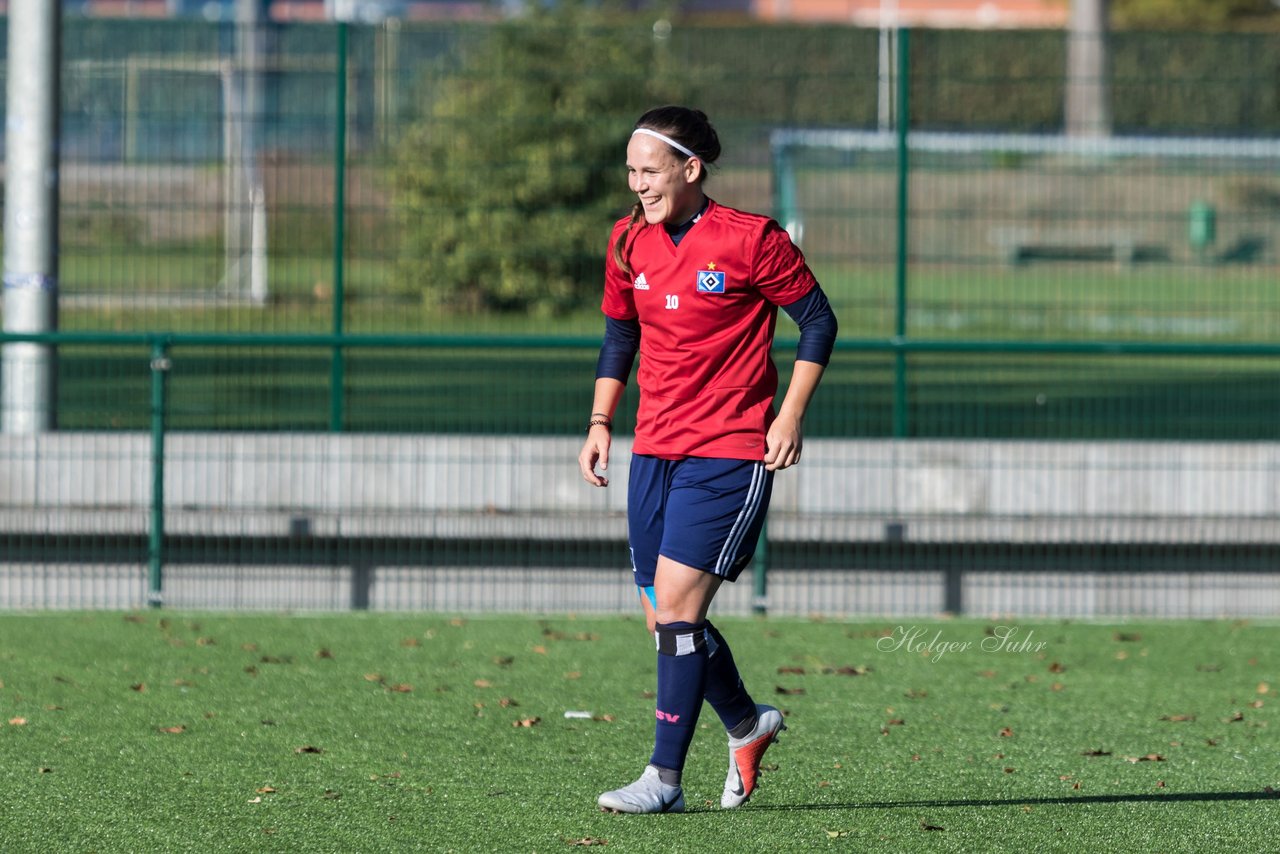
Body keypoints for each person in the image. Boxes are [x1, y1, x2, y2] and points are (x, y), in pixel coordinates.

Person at [577, 106, 838, 814]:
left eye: (650, 172)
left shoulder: (752, 240)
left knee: (680, 616)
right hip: (653, 449)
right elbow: (617, 337)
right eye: (631, 172)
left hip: (728, 448)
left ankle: (662, 780)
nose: (639, 186)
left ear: (691, 169)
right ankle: (747, 726)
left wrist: (789, 415)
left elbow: (818, 321)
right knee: (666, 621)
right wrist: (601, 422)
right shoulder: (628, 242)